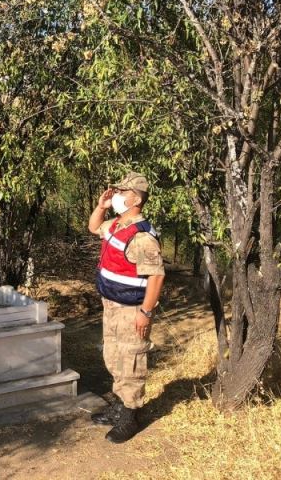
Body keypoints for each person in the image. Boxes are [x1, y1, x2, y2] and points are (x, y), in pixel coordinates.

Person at [87, 172, 165, 443]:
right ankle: (119, 406)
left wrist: (145, 313)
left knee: (131, 361)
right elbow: (93, 227)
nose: (116, 194)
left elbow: (156, 276)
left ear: (136, 198)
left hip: (132, 310)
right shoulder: (118, 224)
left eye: (122, 191)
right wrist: (101, 206)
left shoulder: (142, 237)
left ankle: (130, 417)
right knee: (113, 356)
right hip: (111, 307)